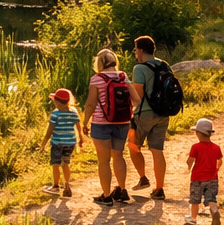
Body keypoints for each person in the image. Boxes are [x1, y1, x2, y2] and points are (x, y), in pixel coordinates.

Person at [84, 48, 133, 206]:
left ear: (99, 63)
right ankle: (122, 190)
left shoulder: (96, 79)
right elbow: (136, 98)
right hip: (122, 122)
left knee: (103, 161)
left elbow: (91, 104)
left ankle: (106, 196)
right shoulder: (123, 76)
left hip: (101, 123)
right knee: (118, 156)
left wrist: (84, 122)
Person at [128, 35, 171, 199]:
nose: (135, 53)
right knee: (157, 151)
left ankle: (143, 178)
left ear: (140, 50)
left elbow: (137, 96)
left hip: (144, 114)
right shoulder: (165, 65)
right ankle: (159, 189)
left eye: (135, 50)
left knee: (133, 146)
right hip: (163, 113)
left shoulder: (139, 68)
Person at [41, 87, 85, 198]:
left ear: (57, 102)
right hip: (70, 143)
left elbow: (50, 130)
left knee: (55, 164)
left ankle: (56, 186)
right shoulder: (73, 113)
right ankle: (66, 184)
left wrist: (44, 142)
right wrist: (81, 137)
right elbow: (78, 126)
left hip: (57, 143)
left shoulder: (55, 114)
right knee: (66, 163)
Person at [185, 117, 223, 225]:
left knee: (195, 200)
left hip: (197, 178)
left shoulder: (195, 147)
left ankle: (193, 219)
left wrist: (188, 167)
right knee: (211, 198)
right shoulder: (216, 148)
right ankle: (214, 210)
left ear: (198, 133)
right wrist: (216, 170)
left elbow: (190, 160)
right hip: (212, 178)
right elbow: (220, 161)